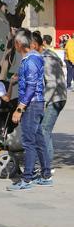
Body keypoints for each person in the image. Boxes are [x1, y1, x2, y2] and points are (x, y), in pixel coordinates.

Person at [7, 29, 52, 191]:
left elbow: (32, 87)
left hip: (31, 105)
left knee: (29, 142)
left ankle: (27, 179)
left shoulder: (30, 61)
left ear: (19, 44)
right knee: (38, 140)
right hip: (36, 103)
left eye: (14, 42)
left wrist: (19, 108)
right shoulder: (33, 58)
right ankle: (46, 175)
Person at [32, 32, 66, 169]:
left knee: (44, 130)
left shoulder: (47, 59)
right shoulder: (45, 55)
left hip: (54, 99)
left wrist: (43, 103)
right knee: (43, 130)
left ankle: (45, 167)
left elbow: (51, 83)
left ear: (35, 45)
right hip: (53, 97)